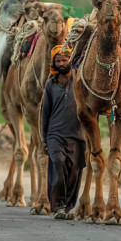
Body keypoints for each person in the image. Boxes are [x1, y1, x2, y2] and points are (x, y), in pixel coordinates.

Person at [41, 44, 86, 220]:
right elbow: (44, 113)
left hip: (77, 136)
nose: (61, 63)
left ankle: (67, 207)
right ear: (54, 63)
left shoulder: (81, 83)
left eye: (64, 59)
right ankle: (58, 206)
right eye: (58, 60)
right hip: (55, 135)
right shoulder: (50, 84)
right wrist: (44, 138)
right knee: (58, 165)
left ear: (71, 60)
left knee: (74, 173)